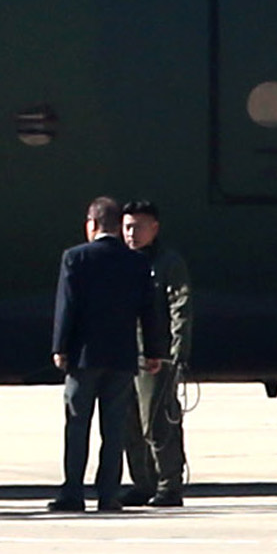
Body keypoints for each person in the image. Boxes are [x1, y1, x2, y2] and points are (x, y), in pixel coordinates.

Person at [50, 197, 169, 513]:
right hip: (121, 357)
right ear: (119, 226)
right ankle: (108, 495)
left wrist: (60, 347)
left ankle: (73, 493)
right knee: (113, 430)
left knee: (77, 425)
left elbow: (67, 307)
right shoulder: (138, 263)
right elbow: (149, 311)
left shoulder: (75, 258)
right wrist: (154, 351)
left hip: (83, 357)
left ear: (91, 224)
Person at [122, 200, 192, 508]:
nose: (132, 234)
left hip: (155, 356)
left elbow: (181, 306)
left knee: (157, 421)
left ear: (155, 228)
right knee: (129, 423)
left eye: (138, 227)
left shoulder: (167, 263)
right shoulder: (120, 261)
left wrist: (177, 354)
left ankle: (169, 484)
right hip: (123, 354)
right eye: (127, 227)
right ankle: (142, 482)